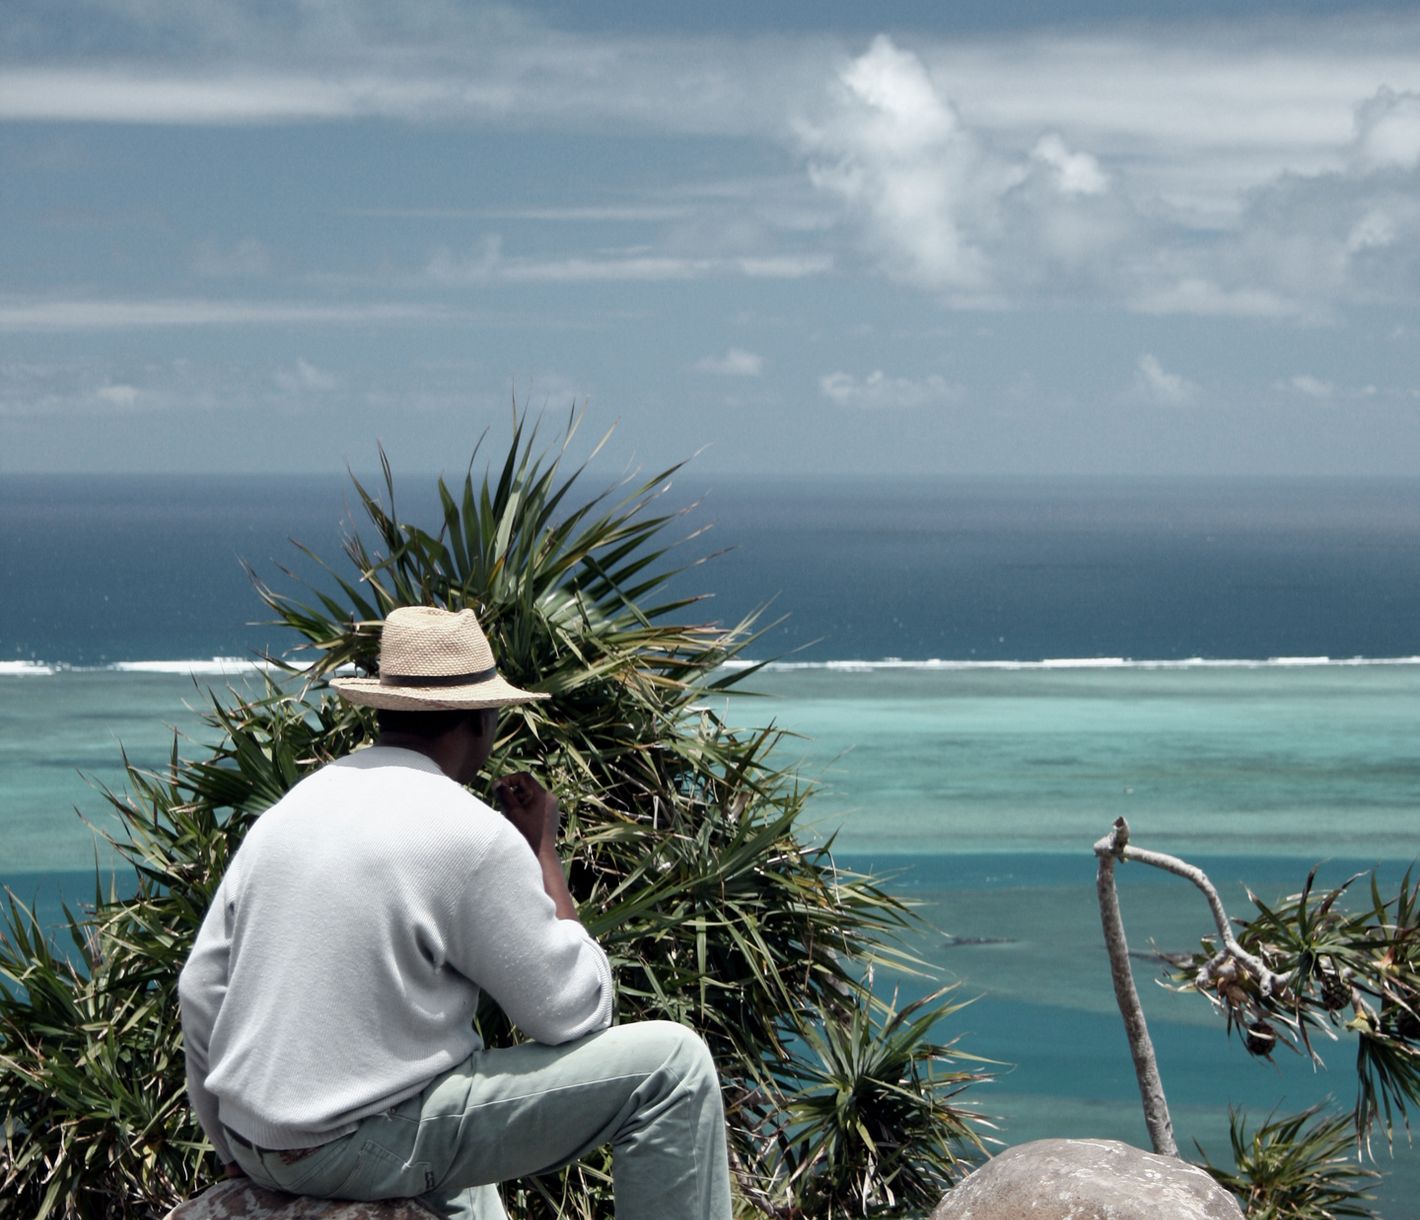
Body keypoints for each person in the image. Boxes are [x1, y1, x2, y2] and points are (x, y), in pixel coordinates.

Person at [178, 604, 733, 1219]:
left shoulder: (293, 809)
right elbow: (574, 1011)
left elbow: (200, 989)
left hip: (256, 1144)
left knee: (447, 1094)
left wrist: (232, 1147)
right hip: (355, 1145)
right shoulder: (468, 832)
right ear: (480, 718)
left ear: (385, 709)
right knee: (674, 1067)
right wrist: (542, 853)